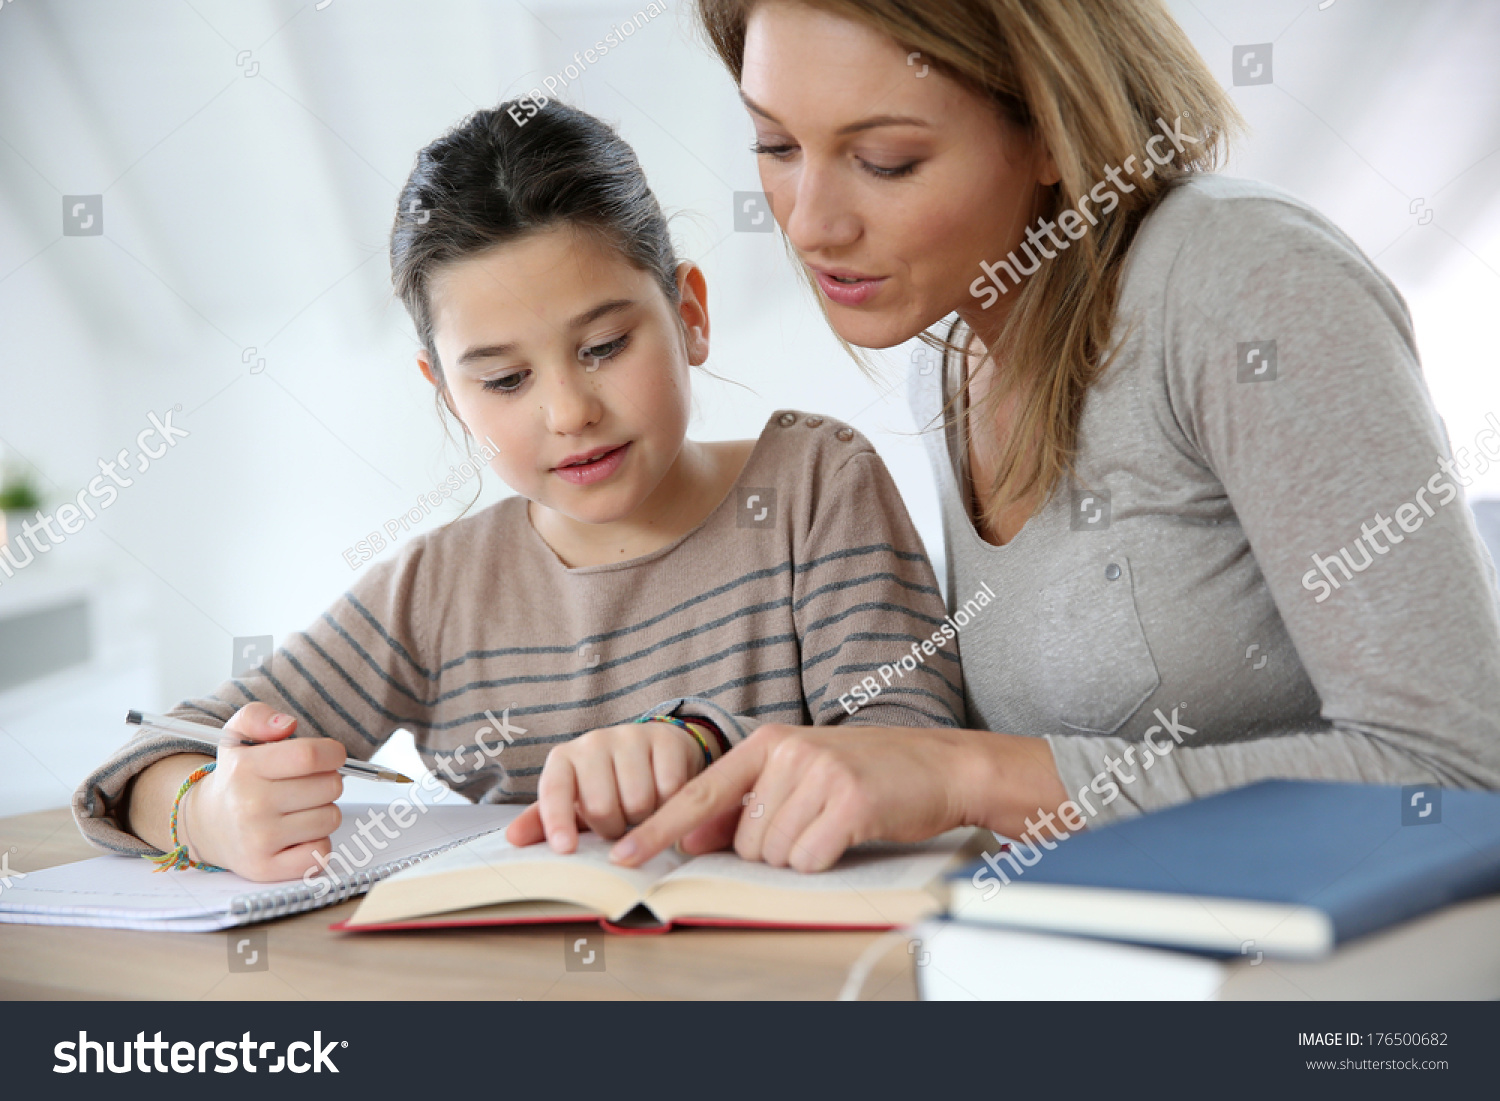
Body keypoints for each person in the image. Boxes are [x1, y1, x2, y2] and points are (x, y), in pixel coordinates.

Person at [609, 0, 1500, 874]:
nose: (809, 222)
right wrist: (702, 745)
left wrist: (974, 775)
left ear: (1050, 127)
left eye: (885, 160)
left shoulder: (1243, 283)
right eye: (777, 146)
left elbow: (1461, 775)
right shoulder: (955, 355)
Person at [69, 100, 962, 881]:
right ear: (446, 392)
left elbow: (921, 757)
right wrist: (208, 812)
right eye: (503, 381)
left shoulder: (814, 486)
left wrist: (703, 743)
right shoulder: (440, 588)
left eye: (605, 346)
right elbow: (150, 756)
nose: (569, 411)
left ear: (689, 313)